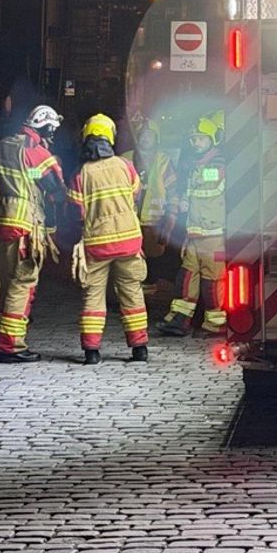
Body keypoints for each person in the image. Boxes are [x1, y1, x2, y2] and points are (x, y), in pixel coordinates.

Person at [0, 104, 66, 363]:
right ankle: (10, 346)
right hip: (24, 221)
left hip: (0, 217)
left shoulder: (5, 145)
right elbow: (56, 189)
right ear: (46, 126)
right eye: (53, 129)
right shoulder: (37, 152)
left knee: (4, 279)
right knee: (22, 281)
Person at [67, 114, 149, 365]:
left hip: (97, 245)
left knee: (93, 296)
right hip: (129, 242)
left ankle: (91, 352)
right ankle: (140, 349)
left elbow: (76, 211)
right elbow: (136, 195)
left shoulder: (81, 173)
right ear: (110, 138)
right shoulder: (125, 165)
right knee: (132, 294)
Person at [157, 113, 226, 337]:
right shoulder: (195, 166)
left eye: (201, 139)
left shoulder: (216, 166)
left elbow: (208, 180)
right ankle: (179, 320)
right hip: (194, 233)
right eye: (193, 139)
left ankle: (215, 324)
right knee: (186, 278)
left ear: (213, 140)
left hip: (213, 235)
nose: (195, 143)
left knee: (212, 282)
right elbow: (190, 193)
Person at [123, 116, 177, 289]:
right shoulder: (125, 159)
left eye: (150, 135)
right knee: (129, 257)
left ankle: (149, 286)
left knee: (153, 256)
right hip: (128, 220)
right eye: (142, 134)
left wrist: (171, 218)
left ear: (156, 138)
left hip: (154, 220)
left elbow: (173, 190)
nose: (145, 138)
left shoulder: (163, 161)